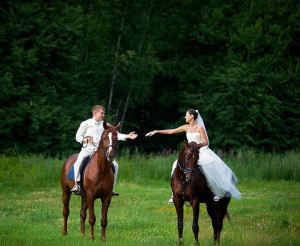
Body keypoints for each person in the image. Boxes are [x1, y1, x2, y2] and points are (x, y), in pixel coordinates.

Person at [145, 109, 241, 203]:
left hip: (200, 150)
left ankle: (214, 192)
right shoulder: (185, 127)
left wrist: (197, 147)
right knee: (175, 164)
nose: (185, 117)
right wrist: (156, 131)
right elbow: (171, 131)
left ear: (192, 116)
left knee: (206, 165)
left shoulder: (199, 128)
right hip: (190, 153)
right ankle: (174, 193)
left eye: (186, 115)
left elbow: (206, 142)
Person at [71, 105, 138, 195]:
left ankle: (111, 188)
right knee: (79, 161)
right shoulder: (86, 123)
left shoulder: (106, 125)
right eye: (102, 113)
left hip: (101, 152)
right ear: (95, 113)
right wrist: (86, 139)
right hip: (87, 149)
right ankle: (77, 184)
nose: (103, 115)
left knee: (116, 165)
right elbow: (78, 137)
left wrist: (127, 136)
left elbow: (116, 134)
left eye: (104, 113)